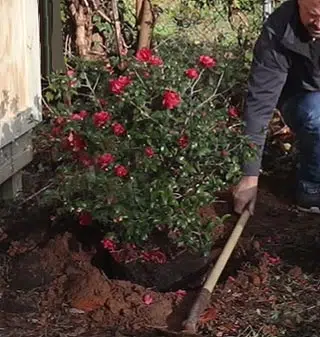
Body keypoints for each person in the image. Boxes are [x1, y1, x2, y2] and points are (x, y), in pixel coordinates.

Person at [233, 0, 320, 215]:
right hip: (302, 99)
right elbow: (260, 104)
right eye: (313, 14)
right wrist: (250, 176)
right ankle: (311, 187)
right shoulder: (279, 29)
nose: (319, 23)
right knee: (316, 114)